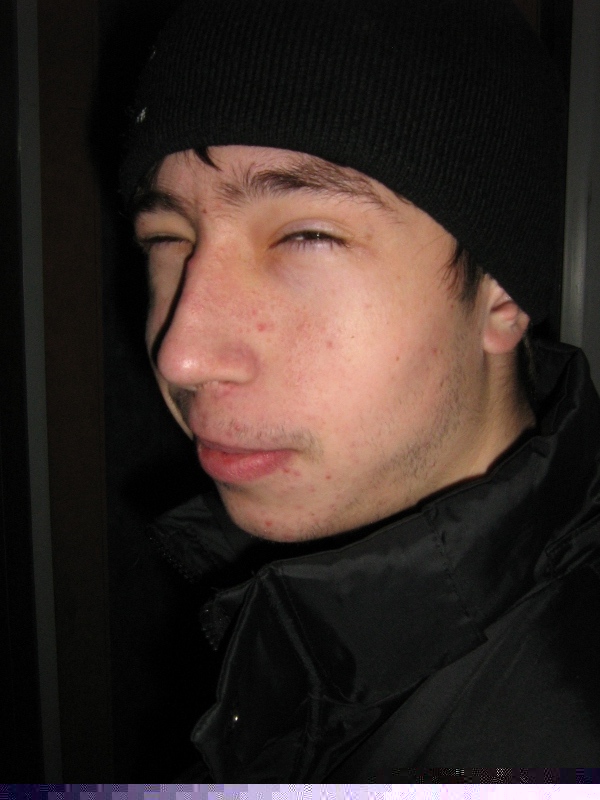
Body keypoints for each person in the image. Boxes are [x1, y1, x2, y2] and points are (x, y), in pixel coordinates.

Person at [119, 0, 600, 779]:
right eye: (168, 238)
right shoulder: (264, 614)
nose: (182, 356)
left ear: (504, 292)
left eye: (305, 236)